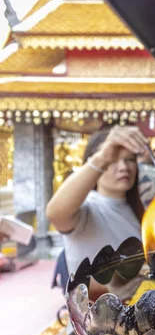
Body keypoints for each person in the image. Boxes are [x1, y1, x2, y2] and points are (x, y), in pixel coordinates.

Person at [46, 126, 147, 296]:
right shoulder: (87, 209)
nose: (123, 167)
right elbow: (55, 214)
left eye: (129, 159)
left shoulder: (132, 209)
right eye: (113, 160)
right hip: (94, 320)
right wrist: (103, 157)